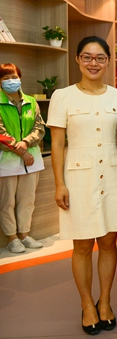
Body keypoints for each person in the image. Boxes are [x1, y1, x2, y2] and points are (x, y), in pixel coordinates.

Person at [46, 37, 117, 334]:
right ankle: (87, 304)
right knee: (81, 245)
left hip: (113, 176)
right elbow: (57, 144)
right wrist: (59, 184)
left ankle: (105, 301)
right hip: (78, 179)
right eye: (87, 57)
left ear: (108, 61)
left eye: (100, 57)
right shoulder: (62, 96)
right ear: (78, 59)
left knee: (108, 242)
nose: (93, 63)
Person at [0, 63, 45, 254]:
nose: (11, 81)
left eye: (14, 77)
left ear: (20, 78)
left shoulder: (31, 102)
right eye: (6, 78)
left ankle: (25, 234)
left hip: (31, 160)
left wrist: (26, 142)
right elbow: (0, 133)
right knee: (7, 202)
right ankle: (12, 238)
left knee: (28, 200)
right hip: (6, 160)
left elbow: (39, 127)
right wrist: (22, 151)